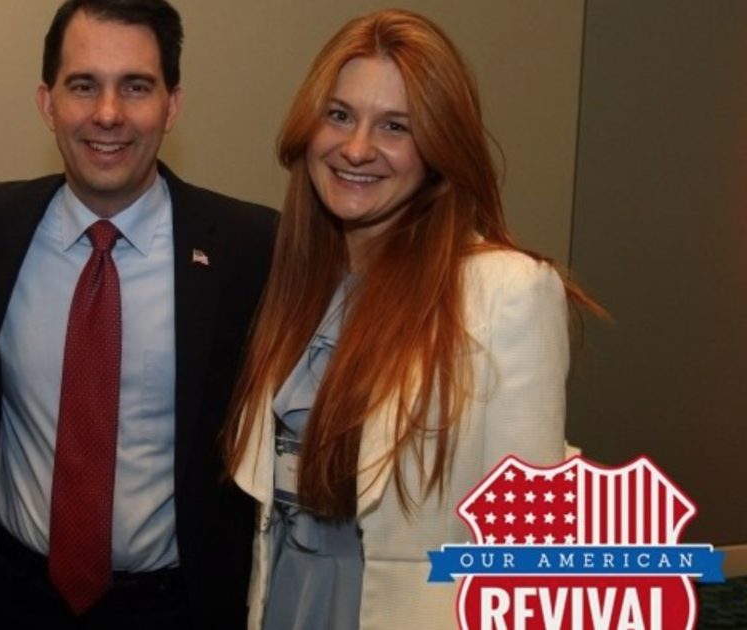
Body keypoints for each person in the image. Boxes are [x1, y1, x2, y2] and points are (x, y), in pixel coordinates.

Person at [224, 9, 603, 630]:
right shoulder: (297, 281)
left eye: (395, 126)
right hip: (286, 600)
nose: (356, 148)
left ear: (438, 150)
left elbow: (532, 551)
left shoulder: (506, 290)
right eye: (339, 115)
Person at [0, 0, 277, 627]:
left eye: (135, 87)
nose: (107, 113)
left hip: (176, 607)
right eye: (83, 85)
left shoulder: (249, 248)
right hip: (11, 598)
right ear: (47, 103)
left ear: (172, 105)